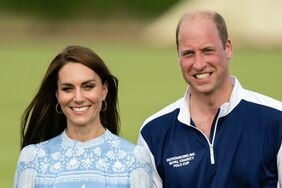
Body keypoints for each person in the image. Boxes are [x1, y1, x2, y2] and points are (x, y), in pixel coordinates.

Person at [137, 9, 282, 188]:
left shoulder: (276, 119)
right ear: (178, 55)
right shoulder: (153, 132)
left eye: (207, 50)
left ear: (227, 48)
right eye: (188, 53)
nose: (198, 64)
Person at [14, 45, 152, 188]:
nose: (78, 98)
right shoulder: (32, 159)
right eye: (67, 88)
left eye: (88, 86)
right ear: (57, 94)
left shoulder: (134, 159)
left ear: (104, 90)